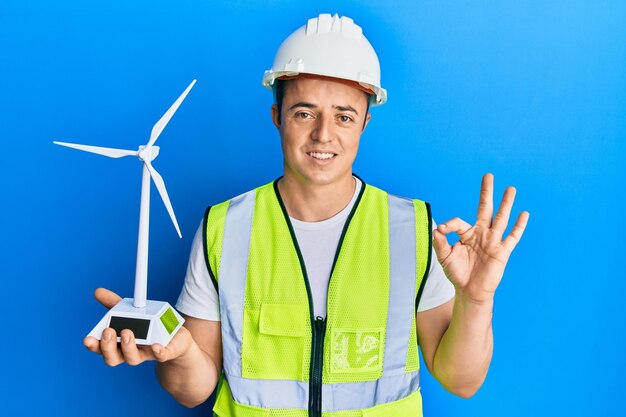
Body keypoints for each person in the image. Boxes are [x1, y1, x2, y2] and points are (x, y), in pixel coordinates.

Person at [84, 13, 529, 416]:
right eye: (304, 113)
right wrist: (179, 353)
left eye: (344, 117)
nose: (323, 134)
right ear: (277, 116)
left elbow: (461, 380)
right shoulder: (225, 228)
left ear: (365, 123)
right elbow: (192, 391)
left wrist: (476, 300)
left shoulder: (413, 231)